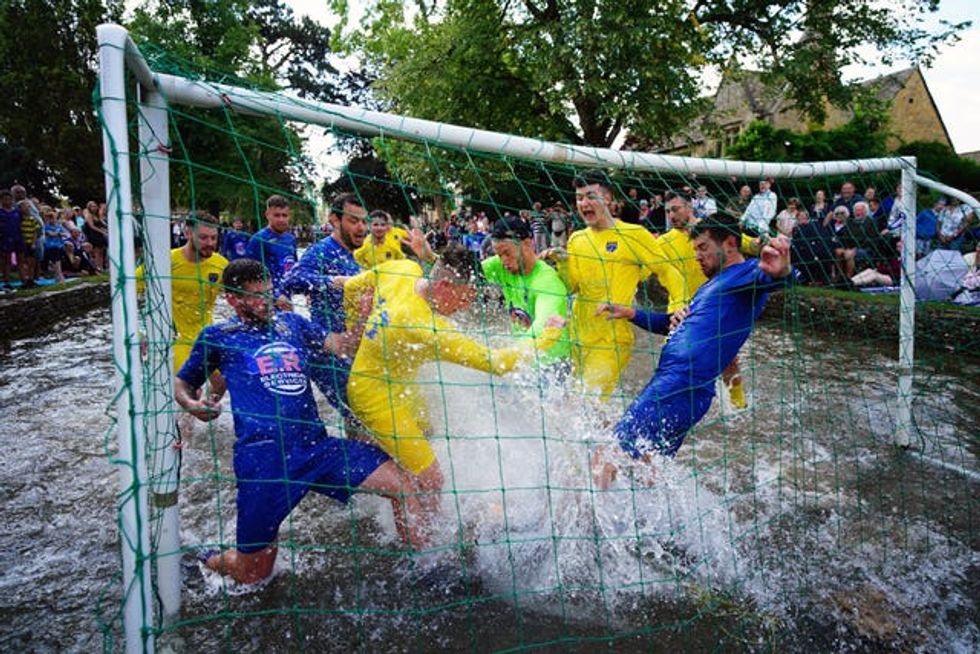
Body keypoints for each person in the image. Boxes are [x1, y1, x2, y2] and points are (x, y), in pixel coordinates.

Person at [175, 258, 428, 584]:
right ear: (232, 299)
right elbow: (184, 384)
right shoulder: (218, 336)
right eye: (255, 295)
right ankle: (206, 558)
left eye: (268, 292)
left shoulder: (292, 323)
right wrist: (194, 403)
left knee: (406, 485)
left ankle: (426, 567)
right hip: (264, 460)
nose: (266, 300)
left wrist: (365, 313)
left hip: (316, 447)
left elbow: (342, 345)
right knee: (253, 575)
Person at [343, 244, 561, 527]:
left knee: (426, 437)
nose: (466, 306)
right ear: (446, 285)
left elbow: (352, 287)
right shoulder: (427, 327)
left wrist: (353, 335)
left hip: (400, 382)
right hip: (372, 394)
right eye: (465, 297)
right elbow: (498, 364)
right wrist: (549, 336)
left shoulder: (403, 269)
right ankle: (426, 545)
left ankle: (391, 480)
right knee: (431, 478)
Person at [592, 214, 794, 488]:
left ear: (730, 243)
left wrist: (782, 271)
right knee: (647, 467)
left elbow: (775, 277)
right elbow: (669, 324)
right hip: (682, 388)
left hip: (681, 384)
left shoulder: (746, 274)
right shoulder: (711, 286)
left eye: (702, 247)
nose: (697, 255)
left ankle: (586, 524)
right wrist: (630, 312)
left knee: (608, 452)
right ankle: (656, 524)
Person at [544, 171, 689, 400]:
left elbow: (668, 271)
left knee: (587, 403)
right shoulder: (577, 239)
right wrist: (562, 264)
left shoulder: (634, 234)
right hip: (578, 336)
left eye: (591, 196)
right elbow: (572, 287)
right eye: (580, 198)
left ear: (608, 199)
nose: (584, 203)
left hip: (612, 339)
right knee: (575, 409)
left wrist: (679, 307)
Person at [281, 193, 378, 422]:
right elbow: (291, 281)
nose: (361, 227)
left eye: (364, 221)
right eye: (353, 221)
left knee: (365, 420)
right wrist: (333, 282)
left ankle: (358, 455)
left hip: (359, 347)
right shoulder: (322, 251)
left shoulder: (364, 255)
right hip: (328, 351)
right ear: (335, 220)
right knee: (365, 417)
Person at [658, 194, 749, 409]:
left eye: (676, 209)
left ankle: (737, 406)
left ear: (689, 207)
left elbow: (741, 242)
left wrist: (759, 243)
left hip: (714, 306)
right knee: (673, 360)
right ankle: (675, 408)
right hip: (680, 312)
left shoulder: (711, 231)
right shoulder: (662, 243)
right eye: (668, 211)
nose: (671, 215)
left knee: (729, 360)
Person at [481, 216, 570, 366]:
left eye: (507, 253)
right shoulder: (501, 265)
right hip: (524, 359)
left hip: (553, 364)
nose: (503, 261)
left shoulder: (547, 281)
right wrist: (433, 258)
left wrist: (509, 355)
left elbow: (543, 324)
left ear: (527, 244)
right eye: (499, 255)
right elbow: (463, 272)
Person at [245, 195, 297, 297]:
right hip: (265, 300)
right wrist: (273, 296)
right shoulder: (259, 239)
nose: (281, 219)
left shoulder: (291, 239)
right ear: (267, 215)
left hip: (286, 298)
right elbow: (249, 276)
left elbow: (293, 268)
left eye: (284, 215)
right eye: (277, 215)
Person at [0, 190, 22, 290]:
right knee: (6, 261)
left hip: (17, 237)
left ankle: (24, 280)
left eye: (10, 199)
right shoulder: (1, 212)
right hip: (5, 238)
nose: (8, 201)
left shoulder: (17, 212)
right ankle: (7, 281)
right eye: (5, 200)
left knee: (21, 259)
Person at [41, 207, 68, 283]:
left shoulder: (59, 226)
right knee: (56, 261)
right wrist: (58, 234)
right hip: (51, 247)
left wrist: (59, 234)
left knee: (58, 261)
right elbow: (50, 234)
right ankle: (59, 275)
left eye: (53, 218)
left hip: (59, 246)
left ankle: (58, 276)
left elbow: (65, 234)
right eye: (50, 218)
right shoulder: (46, 226)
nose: (52, 220)